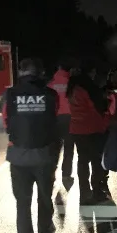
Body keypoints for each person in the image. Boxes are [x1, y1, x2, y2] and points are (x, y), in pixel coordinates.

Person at [2, 58, 60, 233]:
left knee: (22, 202)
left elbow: (7, 123)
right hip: (44, 156)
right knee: (44, 200)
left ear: (21, 73)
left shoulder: (10, 94)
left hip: (19, 157)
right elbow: (55, 121)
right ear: (40, 73)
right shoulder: (51, 95)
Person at [67, 64, 110, 204]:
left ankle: (84, 191)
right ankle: (97, 191)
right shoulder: (89, 88)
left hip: (77, 129)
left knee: (83, 161)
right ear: (91, 72)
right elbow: (98, 108)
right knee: (97, 162)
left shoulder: (72, 88)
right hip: (93, 129)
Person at [48, 58, 76, 186]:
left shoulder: (51, 83)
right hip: (70, 118)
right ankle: (66, 175)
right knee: (69, 148)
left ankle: (51, 174)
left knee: (55, 148)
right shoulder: (72, 83)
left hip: (55, 119)